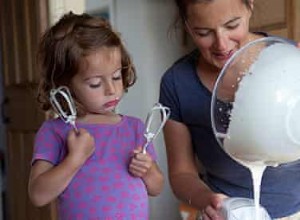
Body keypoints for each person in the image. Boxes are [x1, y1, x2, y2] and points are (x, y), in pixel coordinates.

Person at [159, 0, 300, 219]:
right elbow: (181, 174)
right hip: (227, 213)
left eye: (232, 25)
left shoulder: (290, 59)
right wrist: (208, 199)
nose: (222, 45)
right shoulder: (177, 83)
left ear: (250, 6)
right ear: (187, 25)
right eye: (204, 32)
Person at [28, 12, 164, 220]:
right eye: (95, 83)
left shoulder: (136, 128)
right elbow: (38, 195)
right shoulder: (55, 131)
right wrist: (74, 159)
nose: (111, 89)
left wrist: (148, 170)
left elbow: (156, 188)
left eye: (116, 76)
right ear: (65, 84)